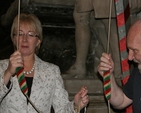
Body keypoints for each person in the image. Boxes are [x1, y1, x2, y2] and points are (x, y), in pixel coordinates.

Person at [0, 13, 89, 113]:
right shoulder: (1, 67)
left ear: (38, 41)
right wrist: (8, 73)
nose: (24, 39)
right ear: (14, 38)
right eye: (20, 34)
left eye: (30, 34)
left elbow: (62, 109)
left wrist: (76, 106)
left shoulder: (51, 71)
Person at [97, 19, 141, 112]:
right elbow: (121, 102)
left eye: (135, 50)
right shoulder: (138, 72)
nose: (129, 57)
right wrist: (109, 76)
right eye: (129, 49)